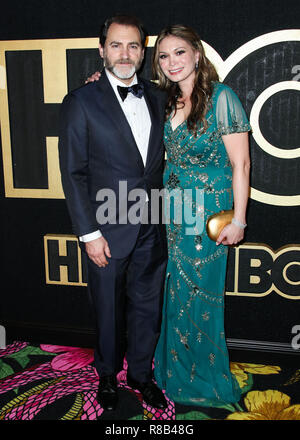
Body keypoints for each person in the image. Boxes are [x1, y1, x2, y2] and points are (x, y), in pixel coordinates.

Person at [58, 15, 168, 411]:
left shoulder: (158, 97)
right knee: (107, 310)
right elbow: (73, 173)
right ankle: (106, 375)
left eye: (134, 46)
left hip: (152, 226)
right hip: (106, 230)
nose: (125, 54)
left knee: (147, 307)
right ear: (102, 49)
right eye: (117, 45)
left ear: (143, 51)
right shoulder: (80, 101)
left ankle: (141, 374)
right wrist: (89, 234)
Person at [151, 24, 251, 407]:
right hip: (171, 211)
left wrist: (238, 220)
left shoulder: (221, 97)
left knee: (201, 297)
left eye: (179, 52)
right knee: (173, 293)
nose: (171, 62)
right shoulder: (164, 99)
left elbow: (240, 164)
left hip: (208, 213)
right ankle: (172, 373)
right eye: (163, 55)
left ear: (196, 54)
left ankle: (203, 379)